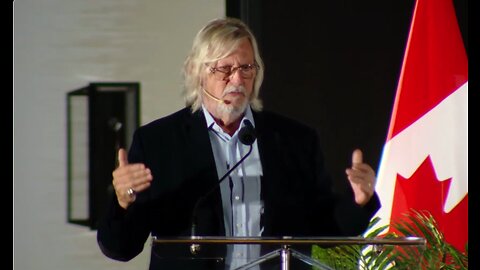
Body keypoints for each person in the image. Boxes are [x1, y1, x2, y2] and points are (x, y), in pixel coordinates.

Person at [97, 17, 380, 270]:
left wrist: (359, 202)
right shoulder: (159, 143)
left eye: (246, 68)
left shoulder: (294, 140)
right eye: (225, 69)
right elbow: (121, 249)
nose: (238, 80)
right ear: (199, 73)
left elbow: (325, 229)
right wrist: (123, 202)